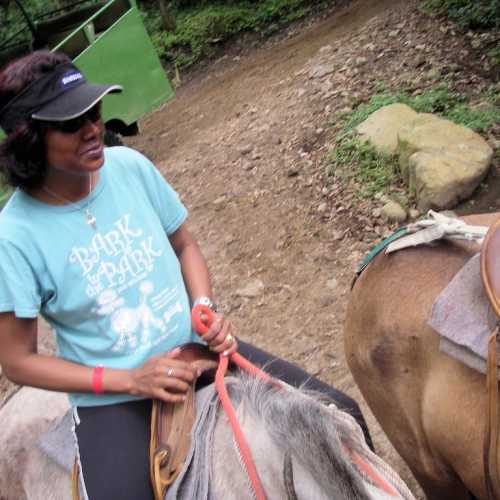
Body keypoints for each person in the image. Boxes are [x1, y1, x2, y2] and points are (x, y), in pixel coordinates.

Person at [0, 50, 371, 500]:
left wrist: (204, 308)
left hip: (196, 352)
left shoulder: (130, 168)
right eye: (71, 123)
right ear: (29, 139)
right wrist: (129, 380)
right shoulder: (14, 236)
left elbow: (185, 245)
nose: (93, 128)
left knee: (341, 411)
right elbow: (18, 360)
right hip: (116, 398)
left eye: (94, 112)